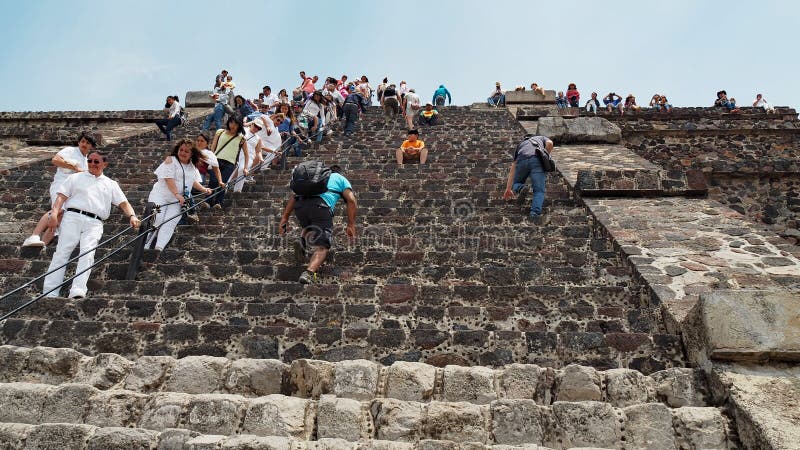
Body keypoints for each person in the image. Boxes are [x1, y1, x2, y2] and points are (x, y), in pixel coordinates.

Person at [42, 151, 139, 298]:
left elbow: (124, 203)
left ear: (104, 164)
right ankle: (50, 291)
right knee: (62, 252)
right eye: (90, 161)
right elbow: (61, 197)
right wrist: (54, 214)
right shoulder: (75, 177)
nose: (92, 164)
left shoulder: (111, 184)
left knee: (87, 253)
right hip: (73, 216)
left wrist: (132, 216)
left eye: (96, 161)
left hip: (95, 221)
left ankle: (78, 290)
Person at [279, 164, 357, 284]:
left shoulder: (313, 178)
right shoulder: (340, 178)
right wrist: (351, 224)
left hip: (300, 206)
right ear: (340, 172)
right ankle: (309, 273)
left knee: (310, 226)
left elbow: (294, 197)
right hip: (321, 207)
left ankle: (302, 240)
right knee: (323, 246)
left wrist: (284, 218)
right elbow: (351, 200)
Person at [22, 132, 98, 247]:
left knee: (62, 216)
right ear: (79, 142)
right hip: (61, 185)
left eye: (87, 143)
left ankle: (43, 243)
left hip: (72, 191)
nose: (84, 144)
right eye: (82, 141)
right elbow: (55, 160)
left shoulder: (86, 161)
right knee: (58, 210)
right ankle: (34, 235)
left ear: (91, 146)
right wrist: (74, 167)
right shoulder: (71, 151)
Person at [146, 139, 212, 251]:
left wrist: (204, 189)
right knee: (158, 218)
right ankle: (146, 245)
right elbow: (168, 178)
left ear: (191, 154)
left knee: (171, 222)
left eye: (186, 151)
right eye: (181, 150)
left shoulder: (192, 166)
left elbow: (193, 181)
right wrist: (177, 194)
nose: (182, 153)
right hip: (160, 196)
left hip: (177, 200)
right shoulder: (170, 160)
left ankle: (159, 247)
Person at [503, 135, 554, 224]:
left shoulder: (521, 144)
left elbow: (513, 167)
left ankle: (520, 188)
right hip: (537, 160)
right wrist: (545, 156)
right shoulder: (541, 138)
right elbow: (550, 143)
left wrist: (508, 189)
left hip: (521, 161)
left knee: (517, 183)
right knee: (538, 191)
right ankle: (534, 215)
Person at [208, 117, 247, 208]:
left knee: (224, 183)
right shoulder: (220, 132)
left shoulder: (241, 138)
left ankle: (218, 202)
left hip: (230, 163)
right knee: (213, 181)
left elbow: (246, 154)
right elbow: (213, 146)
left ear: (239, 126)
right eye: (231, 123)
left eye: (236, 124)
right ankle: (208, 201)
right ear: (228, 122)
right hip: (216, 160)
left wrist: (245, 167)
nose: (233, 125)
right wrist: (211, 158)